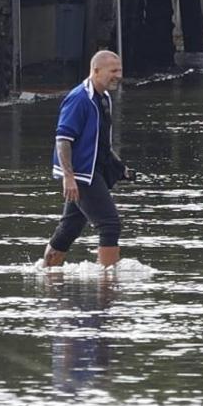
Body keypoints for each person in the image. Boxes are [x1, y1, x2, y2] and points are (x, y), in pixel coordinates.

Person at [41, 50, 134, 268]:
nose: (118, 75)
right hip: (81, 174)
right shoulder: (79, 99)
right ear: (96, 70)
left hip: (94, 170)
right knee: (109, 225)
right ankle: (108, 284)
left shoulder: (104, 98)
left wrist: (120, 167)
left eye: (119, 70)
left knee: (70, 227)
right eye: (113, 71)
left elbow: (101, 143)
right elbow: (62, 139)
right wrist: (69, 177)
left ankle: (48, 274)